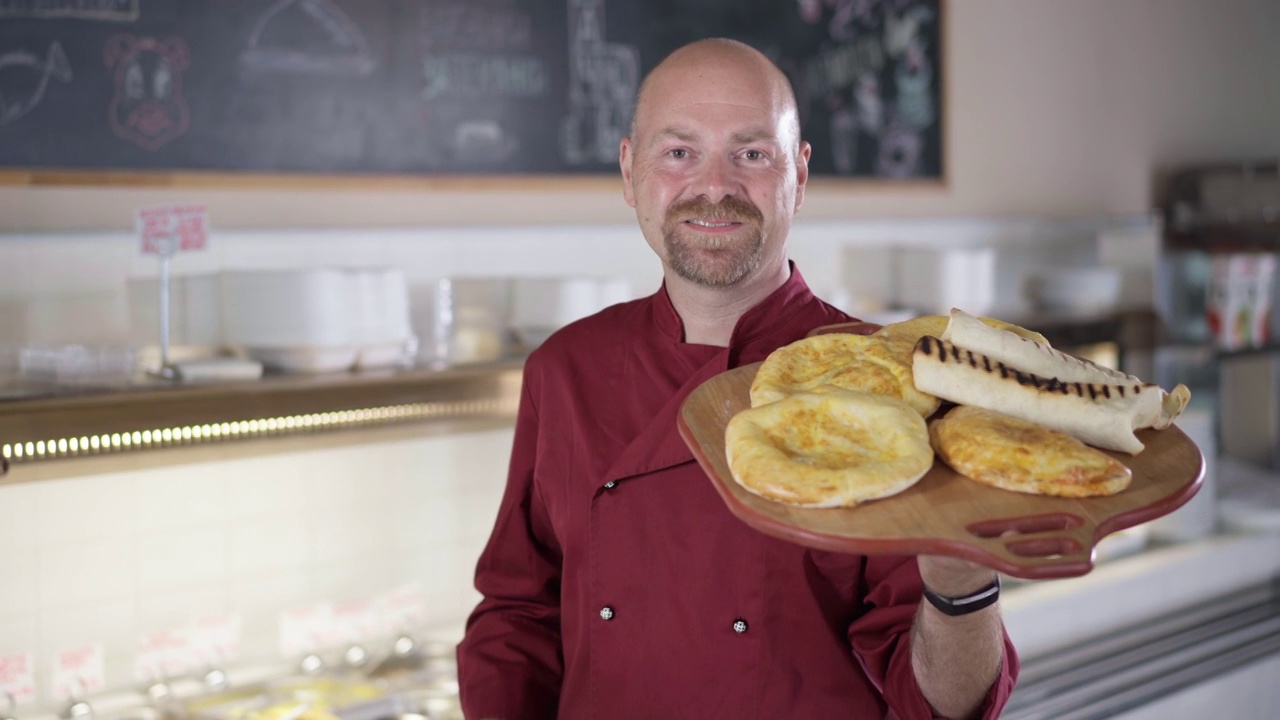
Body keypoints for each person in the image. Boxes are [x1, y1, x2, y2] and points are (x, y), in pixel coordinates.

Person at [457, 38, 1018, 719]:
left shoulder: (893, 383)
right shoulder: (565, 368)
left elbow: (948, 704)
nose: (715, 185)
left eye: (751, 153)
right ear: (630, 172)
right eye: (679, 153)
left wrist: (961, 587)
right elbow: (517, 616)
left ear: (799, 176)